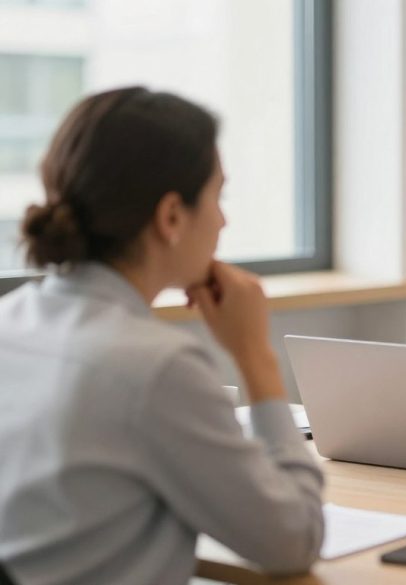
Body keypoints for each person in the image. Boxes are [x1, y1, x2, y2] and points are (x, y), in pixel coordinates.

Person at [0, 87, 324, 585]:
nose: (223, 220)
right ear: (171, 216)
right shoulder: (156, 367)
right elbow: (294, 540)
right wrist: (254, 355)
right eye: (218, 197)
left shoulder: (11, 319)